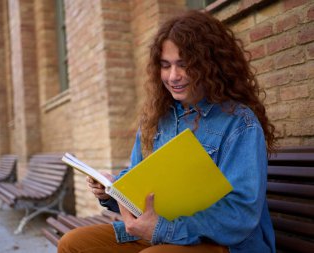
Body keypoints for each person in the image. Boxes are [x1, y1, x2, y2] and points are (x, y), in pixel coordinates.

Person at [58, 10, 276, 253]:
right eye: (165, 65)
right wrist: (111, 190)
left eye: (184, 65)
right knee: (72, 244)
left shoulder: (239, 122)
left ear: (210, 65)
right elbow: (137, 180)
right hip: (159, 234)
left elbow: (241, 213)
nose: (173, 76)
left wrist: (164, 229)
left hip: (222, 244)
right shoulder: (156, 118)